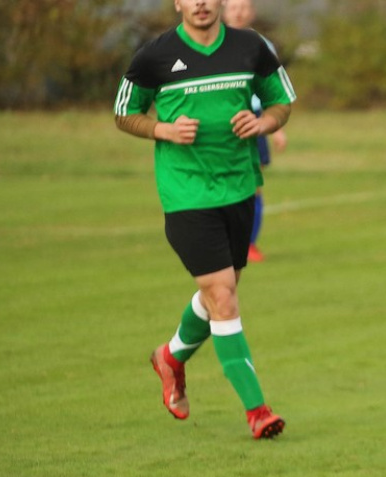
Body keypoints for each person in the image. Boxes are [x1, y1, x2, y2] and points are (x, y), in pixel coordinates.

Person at [114, 0, 296, 439]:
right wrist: (163, 130)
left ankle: (171, 358)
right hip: (186, 193)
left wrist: (264, 123)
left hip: (238, 188)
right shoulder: (154, 55)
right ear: (178, 2)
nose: (200, 3)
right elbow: (125, 112)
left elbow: (281, 102)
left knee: (222, 290)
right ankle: (257, 410)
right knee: (222, 294)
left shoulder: (250, 47)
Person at [223, 0, 287, 263]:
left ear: (252, 11)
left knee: (253, 185)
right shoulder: (210, 42)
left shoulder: (262, 46)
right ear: (224, 10)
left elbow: (274, 93)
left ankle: (249, 243)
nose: (238, 12)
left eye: (243, 7)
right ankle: (219, 240)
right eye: (233, 7)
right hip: (221, 120)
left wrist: (277, 128)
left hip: (255, 118)